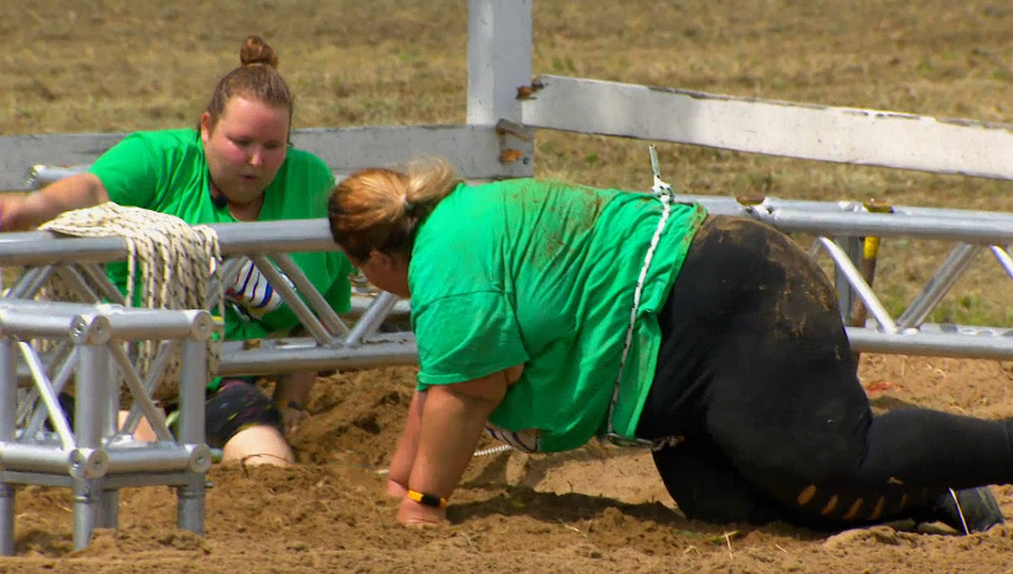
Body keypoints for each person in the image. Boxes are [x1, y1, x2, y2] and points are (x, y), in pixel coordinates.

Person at [325, 157, 1012, 534]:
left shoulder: (442, 270)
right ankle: (933, 499)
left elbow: (462, 394)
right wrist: (398, 480)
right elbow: (437, 384)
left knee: (837, 457)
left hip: (723, 298)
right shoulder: (458, 219)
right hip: (689, 323)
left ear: (373, 263)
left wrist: (424, 505)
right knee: (722, 506)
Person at [0, 35, 353, 466]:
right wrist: (28, 209)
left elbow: (315, 317)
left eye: (273, 146)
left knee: (269, 462)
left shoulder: (310, 183)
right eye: (240, 143)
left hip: (223, 381)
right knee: (146, 456)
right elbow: (93, 188)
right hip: (121, 374)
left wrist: (291, 404)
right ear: (205, 127)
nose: (256, 161)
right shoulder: (161, 159)